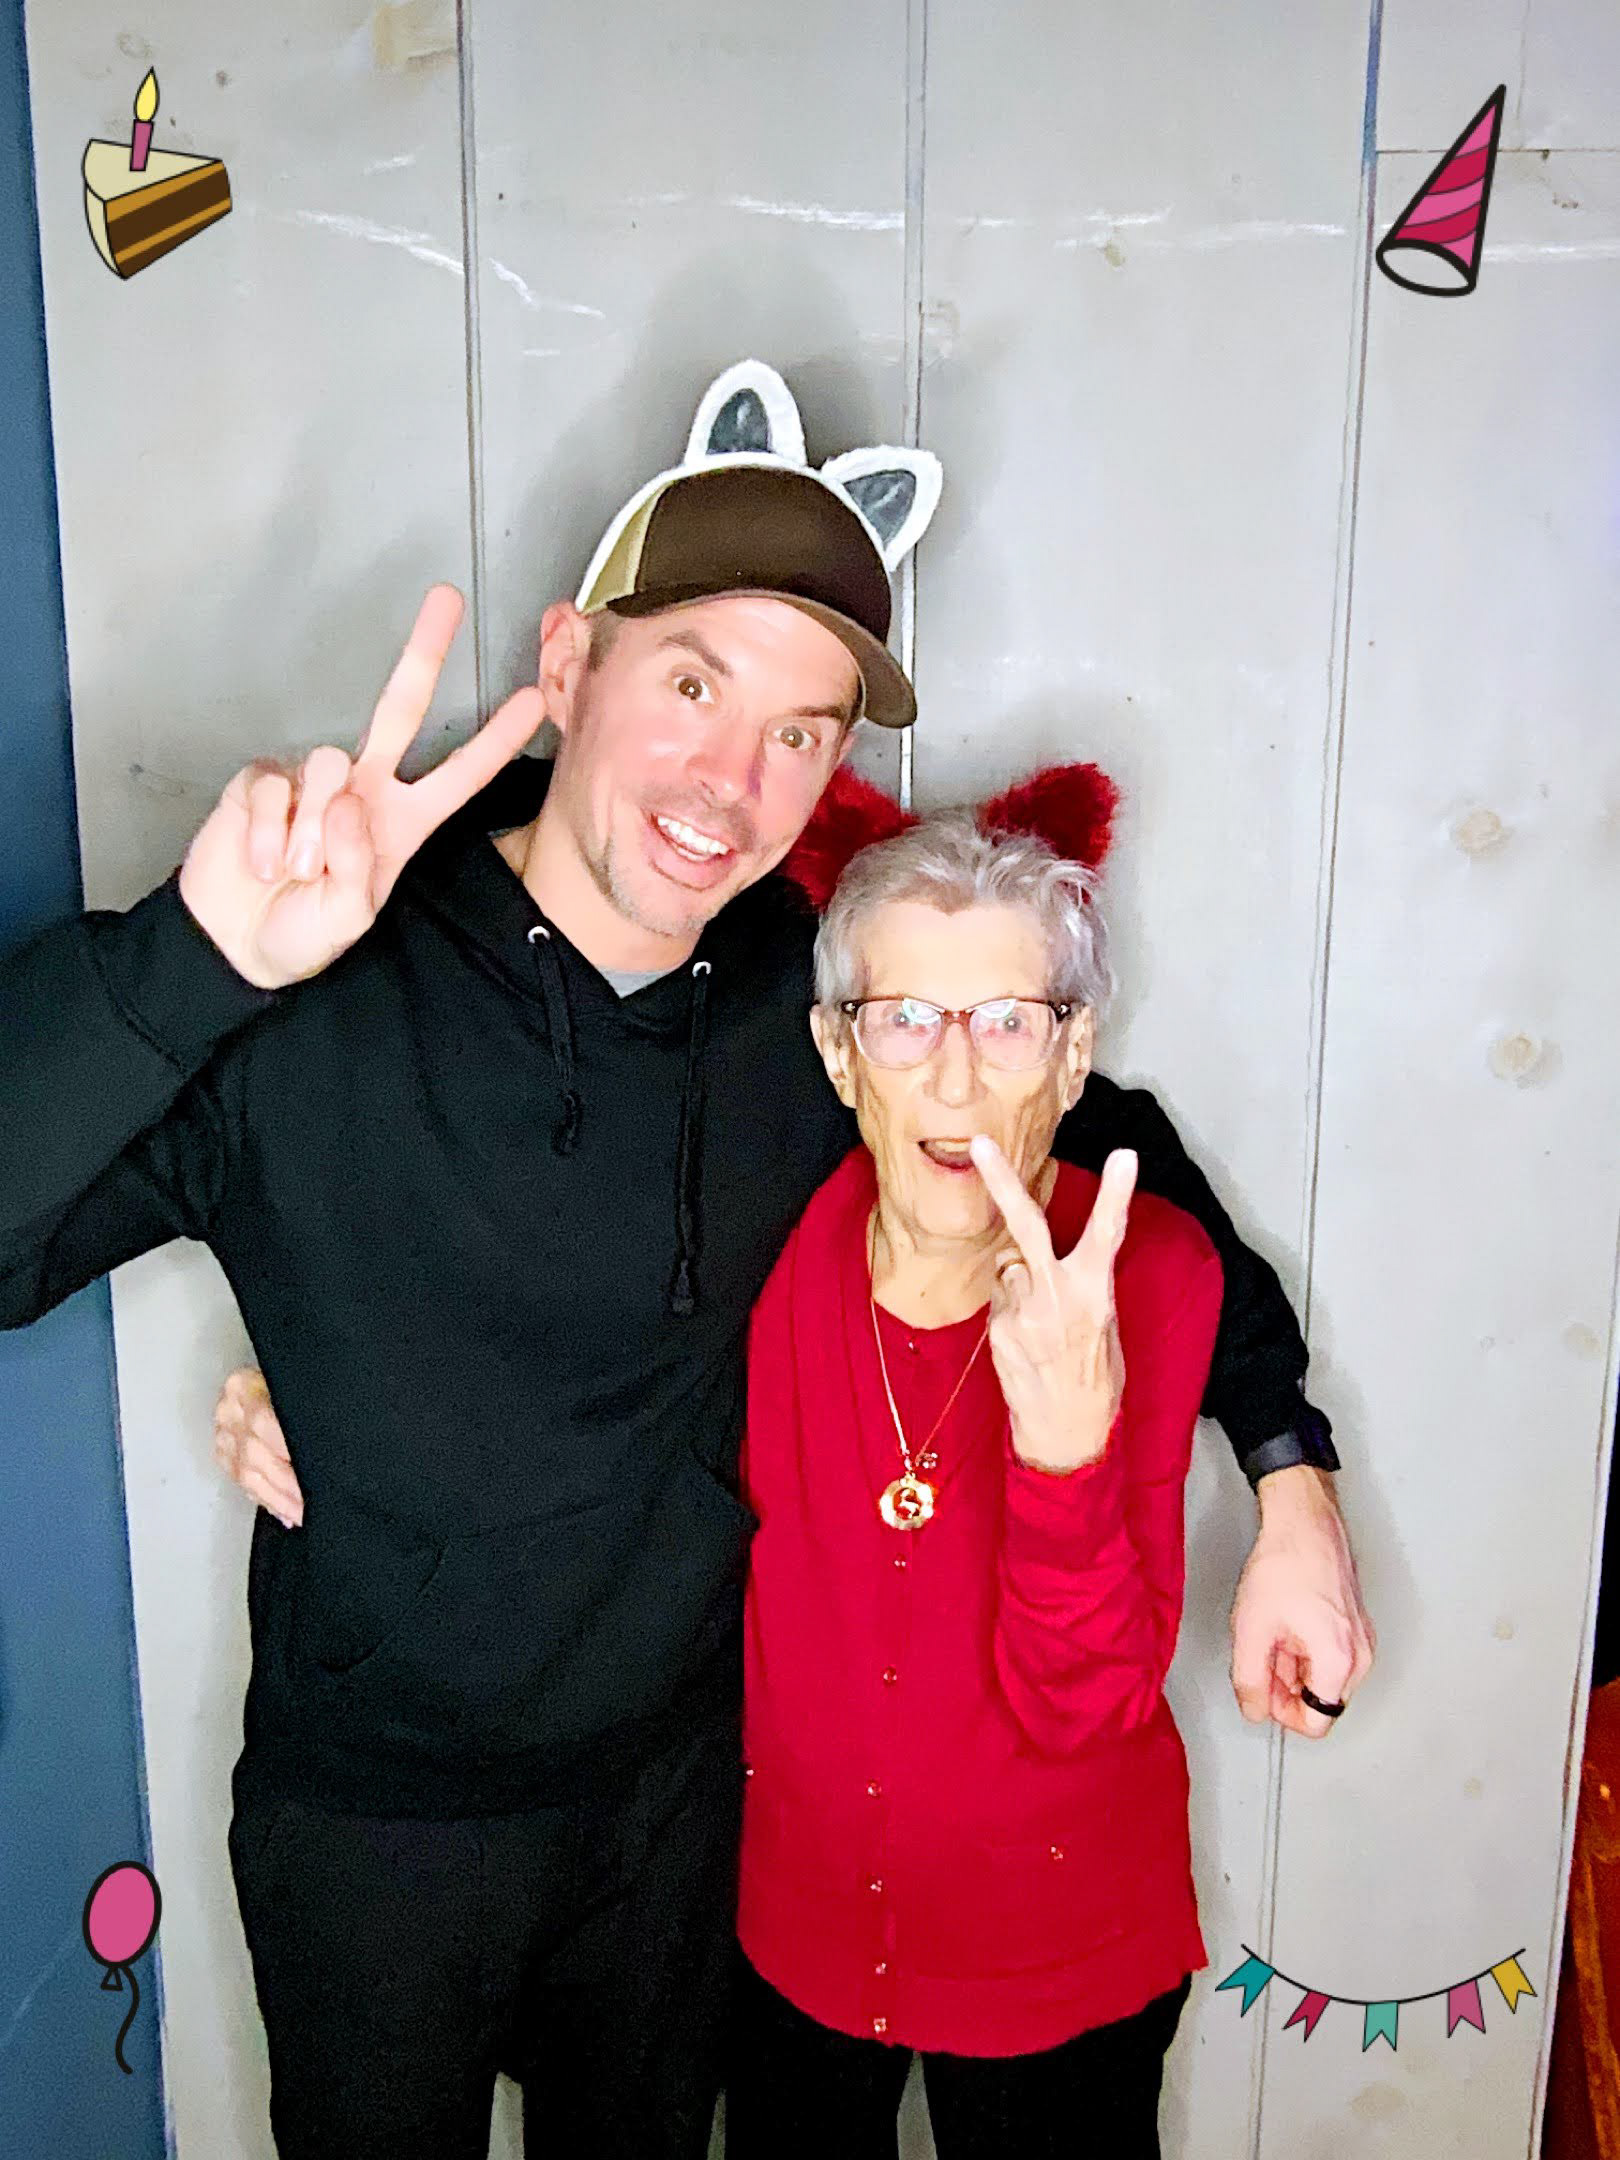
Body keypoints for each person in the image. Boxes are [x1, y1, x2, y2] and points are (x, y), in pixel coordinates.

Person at [0, 360, 1370, 2159]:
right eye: (696, 683)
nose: (735, 781)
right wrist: (195, 960)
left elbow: (1115, 1172)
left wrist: (1289, 1480)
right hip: (379, 1829)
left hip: (682, 1822)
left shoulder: (820, 1014)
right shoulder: (310, 981)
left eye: (801, 731)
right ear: (570, 666)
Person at [724, 810, 1216, 2158]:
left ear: (1073, 1053)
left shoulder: (1154, 1274)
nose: (953, 1075)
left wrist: (1064, 1449)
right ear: (840, 1055)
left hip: (1058, 1953)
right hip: (798, 1931)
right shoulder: (765, 1246)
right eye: (903, 1020)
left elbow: (1087, 1703)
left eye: (1007, 1022)